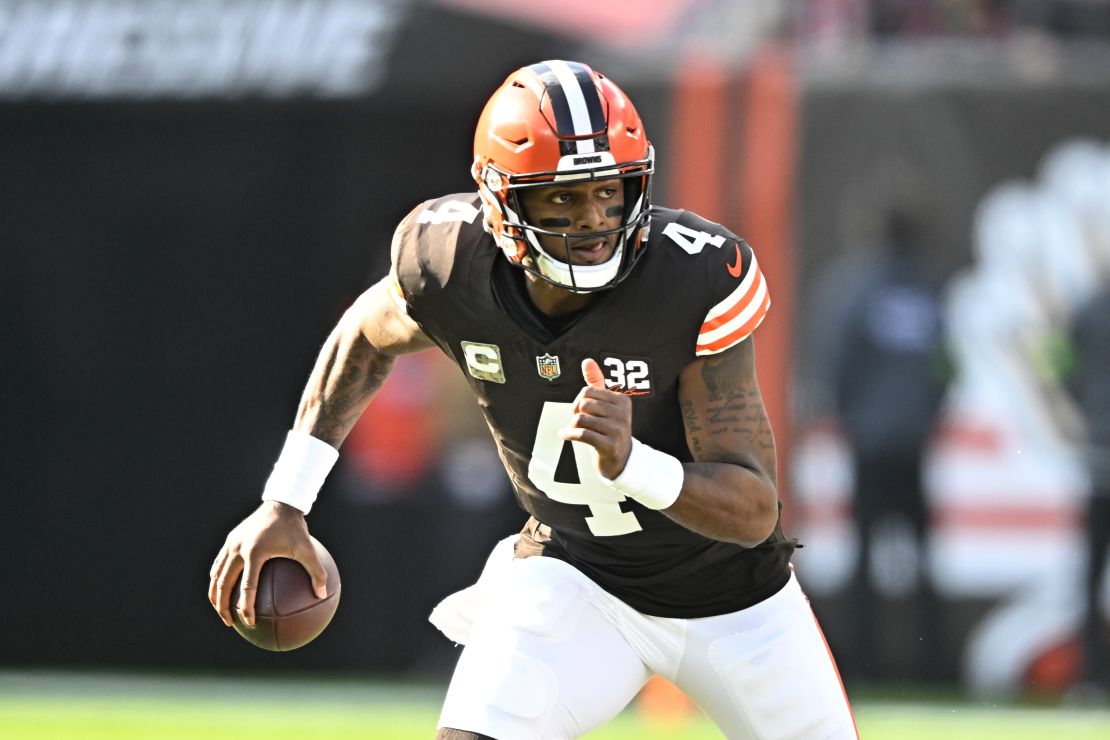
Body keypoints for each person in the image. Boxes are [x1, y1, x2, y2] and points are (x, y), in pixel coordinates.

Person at [208, 60, 857, 739]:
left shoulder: (690, 278)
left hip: (736, 603)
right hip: (579, 577)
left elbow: (754, 509)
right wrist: (286, 500)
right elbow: (365, 339)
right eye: (561, 198)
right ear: (500, 203)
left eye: (609, 191)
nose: (594, 219)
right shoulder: (449, 261)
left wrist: (631, 462)